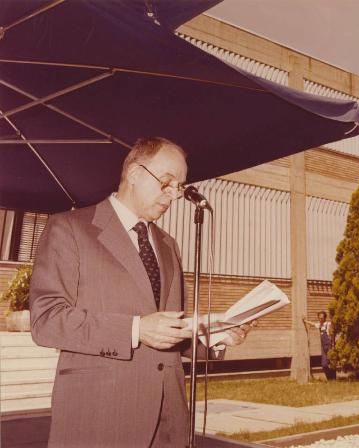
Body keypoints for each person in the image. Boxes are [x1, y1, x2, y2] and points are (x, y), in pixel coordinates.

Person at [29, 137, 253, 447]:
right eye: (167, 182)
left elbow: (171, 329)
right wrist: (136, 329)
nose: (173, 195)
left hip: (168, 422)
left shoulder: (169, 244)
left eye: (180, 187)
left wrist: (214, 336)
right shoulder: (69, 228)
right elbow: (47, 321)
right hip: (99, 419)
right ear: (134, 173)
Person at [304, 311, 336, 380]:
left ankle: (333, 378)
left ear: (325, 318)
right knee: (324, 365)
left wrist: (333, 345)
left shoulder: (328, 324)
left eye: (322, 318)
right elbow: (312, 324)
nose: (320, 319)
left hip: (329, 346)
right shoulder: (319, 325)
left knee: (332, 364)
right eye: (319, 318)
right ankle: (329, 378)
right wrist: (305, 321)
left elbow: (333, 334)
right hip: (323, 348)